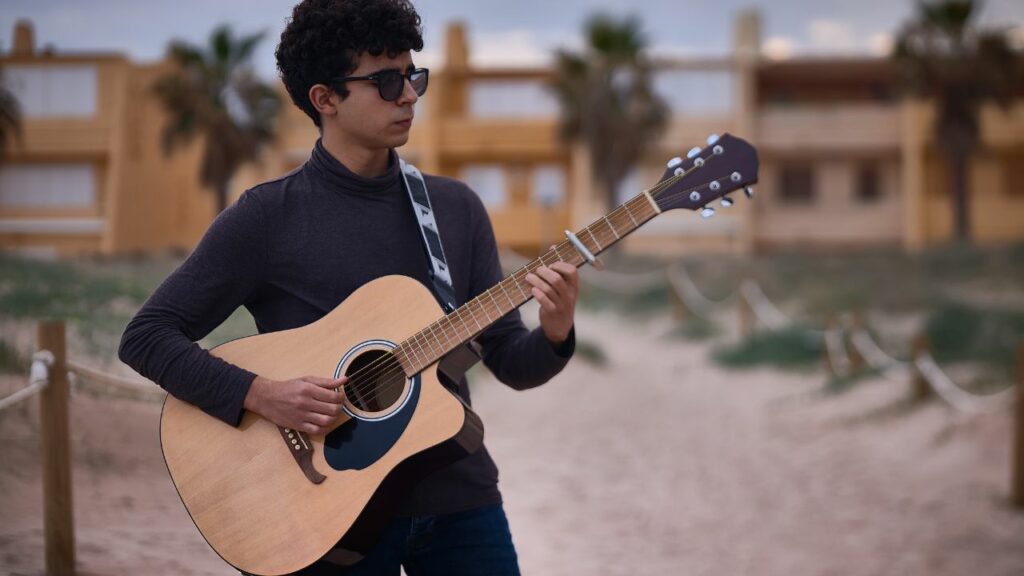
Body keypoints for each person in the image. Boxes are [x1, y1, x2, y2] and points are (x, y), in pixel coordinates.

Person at [118, 0, 579, 574]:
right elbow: (145, 336)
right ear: (325, 98)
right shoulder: (267, 217)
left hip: (460, 502)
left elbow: (513, 362)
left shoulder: (454, 210)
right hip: (320, 509)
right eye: (387, 81)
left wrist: (556, 331)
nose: (409, 95)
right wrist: (259, 393)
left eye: (413, 76)